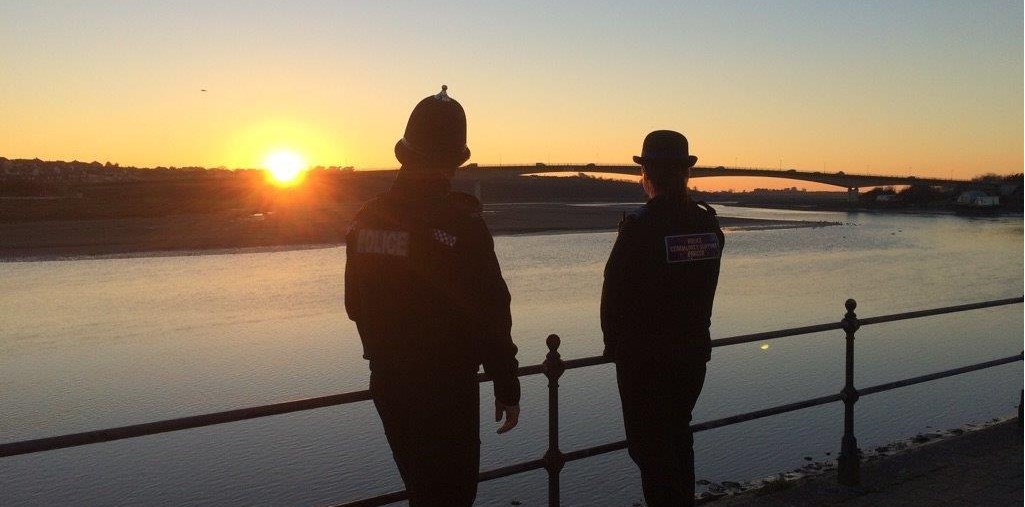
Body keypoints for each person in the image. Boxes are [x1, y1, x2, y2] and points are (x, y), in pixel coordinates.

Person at [344, 86, 521, 507]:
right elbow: (490, 310)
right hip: (447, 386)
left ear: (404, 154)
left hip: (389, 382)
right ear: (454, 163)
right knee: (453, 496)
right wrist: (506, 382)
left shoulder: (368, 219)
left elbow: (354, 304)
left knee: (422, 492)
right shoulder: (462, 223)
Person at [601, 130, 724, 506]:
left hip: (645, 361)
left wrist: (613, 346)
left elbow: (613, 294)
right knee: (677, 438)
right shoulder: (707, 224)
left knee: (649, 450)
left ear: (647, 175)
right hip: (691, 356)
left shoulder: (640, 227)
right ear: (686, 175)